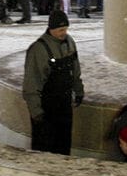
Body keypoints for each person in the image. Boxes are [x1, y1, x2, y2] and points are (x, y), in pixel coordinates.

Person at [21, 9, 84, 155]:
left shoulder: (70, 42)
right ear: (51, 29)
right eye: (60, 29)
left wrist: (79, 91)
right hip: (46, 109)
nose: (64, 33)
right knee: (44, 149)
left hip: (64, 105)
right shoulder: (38, 49)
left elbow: (75, 71)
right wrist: (36, 112)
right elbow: (31, 82)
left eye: (66, 29)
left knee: (63, 146)